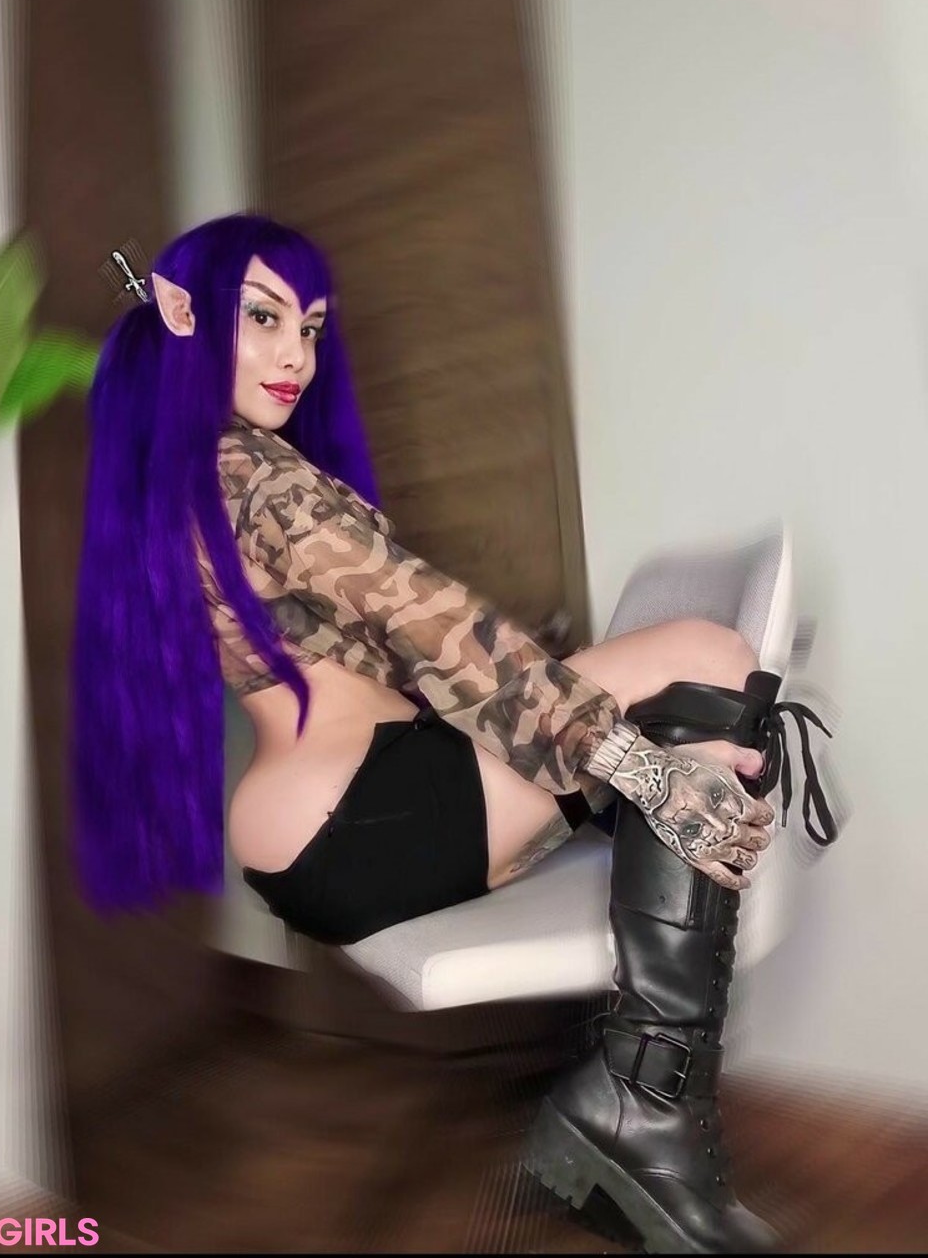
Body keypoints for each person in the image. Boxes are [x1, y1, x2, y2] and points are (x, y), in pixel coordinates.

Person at [72, 214, 835, 1255]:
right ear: (182, 314)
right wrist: (643, 770)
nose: (296, 353)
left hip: (319, 822)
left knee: (623, 701)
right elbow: (424, 620)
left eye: (310, 326)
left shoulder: (186, 474)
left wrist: (600, 728)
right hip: (357, 811)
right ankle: (645, 1110)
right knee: (705, 650)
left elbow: (395, 656)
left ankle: (628, 1102)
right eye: (262, 317)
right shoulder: (252, 476)